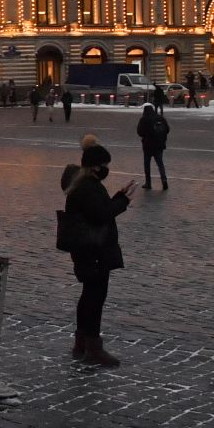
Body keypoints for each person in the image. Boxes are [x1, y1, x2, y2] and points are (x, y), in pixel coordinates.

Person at [60, 143, 133, 367]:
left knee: (89, 295)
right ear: (94, 167)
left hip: (87, 249)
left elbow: (98, 209)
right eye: (104, 165)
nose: (106, 169)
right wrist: (123, 200)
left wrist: (118, 196)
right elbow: (101, 215)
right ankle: (92, 347)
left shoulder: (83, 185)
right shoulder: (87, 188)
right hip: (93, 250)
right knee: (95, 297)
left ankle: (82, 343)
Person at [136, 102, 170, 191]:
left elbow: (139, 132)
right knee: (160, 163)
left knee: (147, 164)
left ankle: (148, 183)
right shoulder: (160, 117)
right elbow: (167, 129)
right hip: (159, 145)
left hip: (148, 146)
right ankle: (164, 179)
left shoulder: (144, 119)